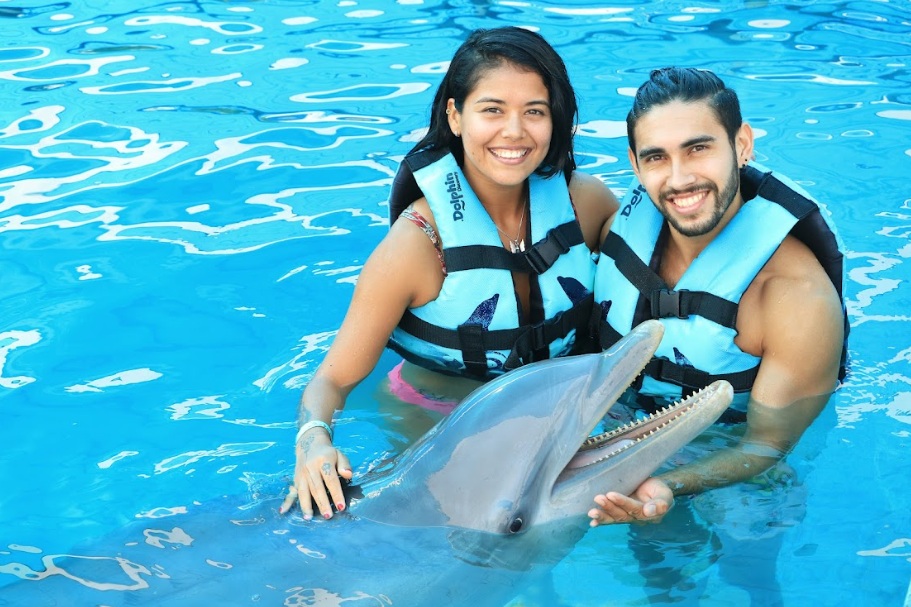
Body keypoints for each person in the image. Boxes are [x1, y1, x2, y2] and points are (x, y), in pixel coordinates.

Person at [282, 27, 619, 520]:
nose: (514, 132)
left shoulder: (584, 203)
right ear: (455, 116)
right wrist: (313, 442)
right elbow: (331, 381)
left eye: (535, 111)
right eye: (492, 109)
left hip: (557, 417)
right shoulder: (417, 245)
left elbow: (662, 264)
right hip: (436, 423)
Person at [587, 67, 848, 527]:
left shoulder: (795, 298)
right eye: (656, 158)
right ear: (634, 164)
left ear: (742, 145)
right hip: (625, 439)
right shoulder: (618, 231)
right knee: (660, 578)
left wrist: (669, 483)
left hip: (735, 468)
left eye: (698, 149)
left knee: (751, 574)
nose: (680, 178)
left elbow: (765, 446)